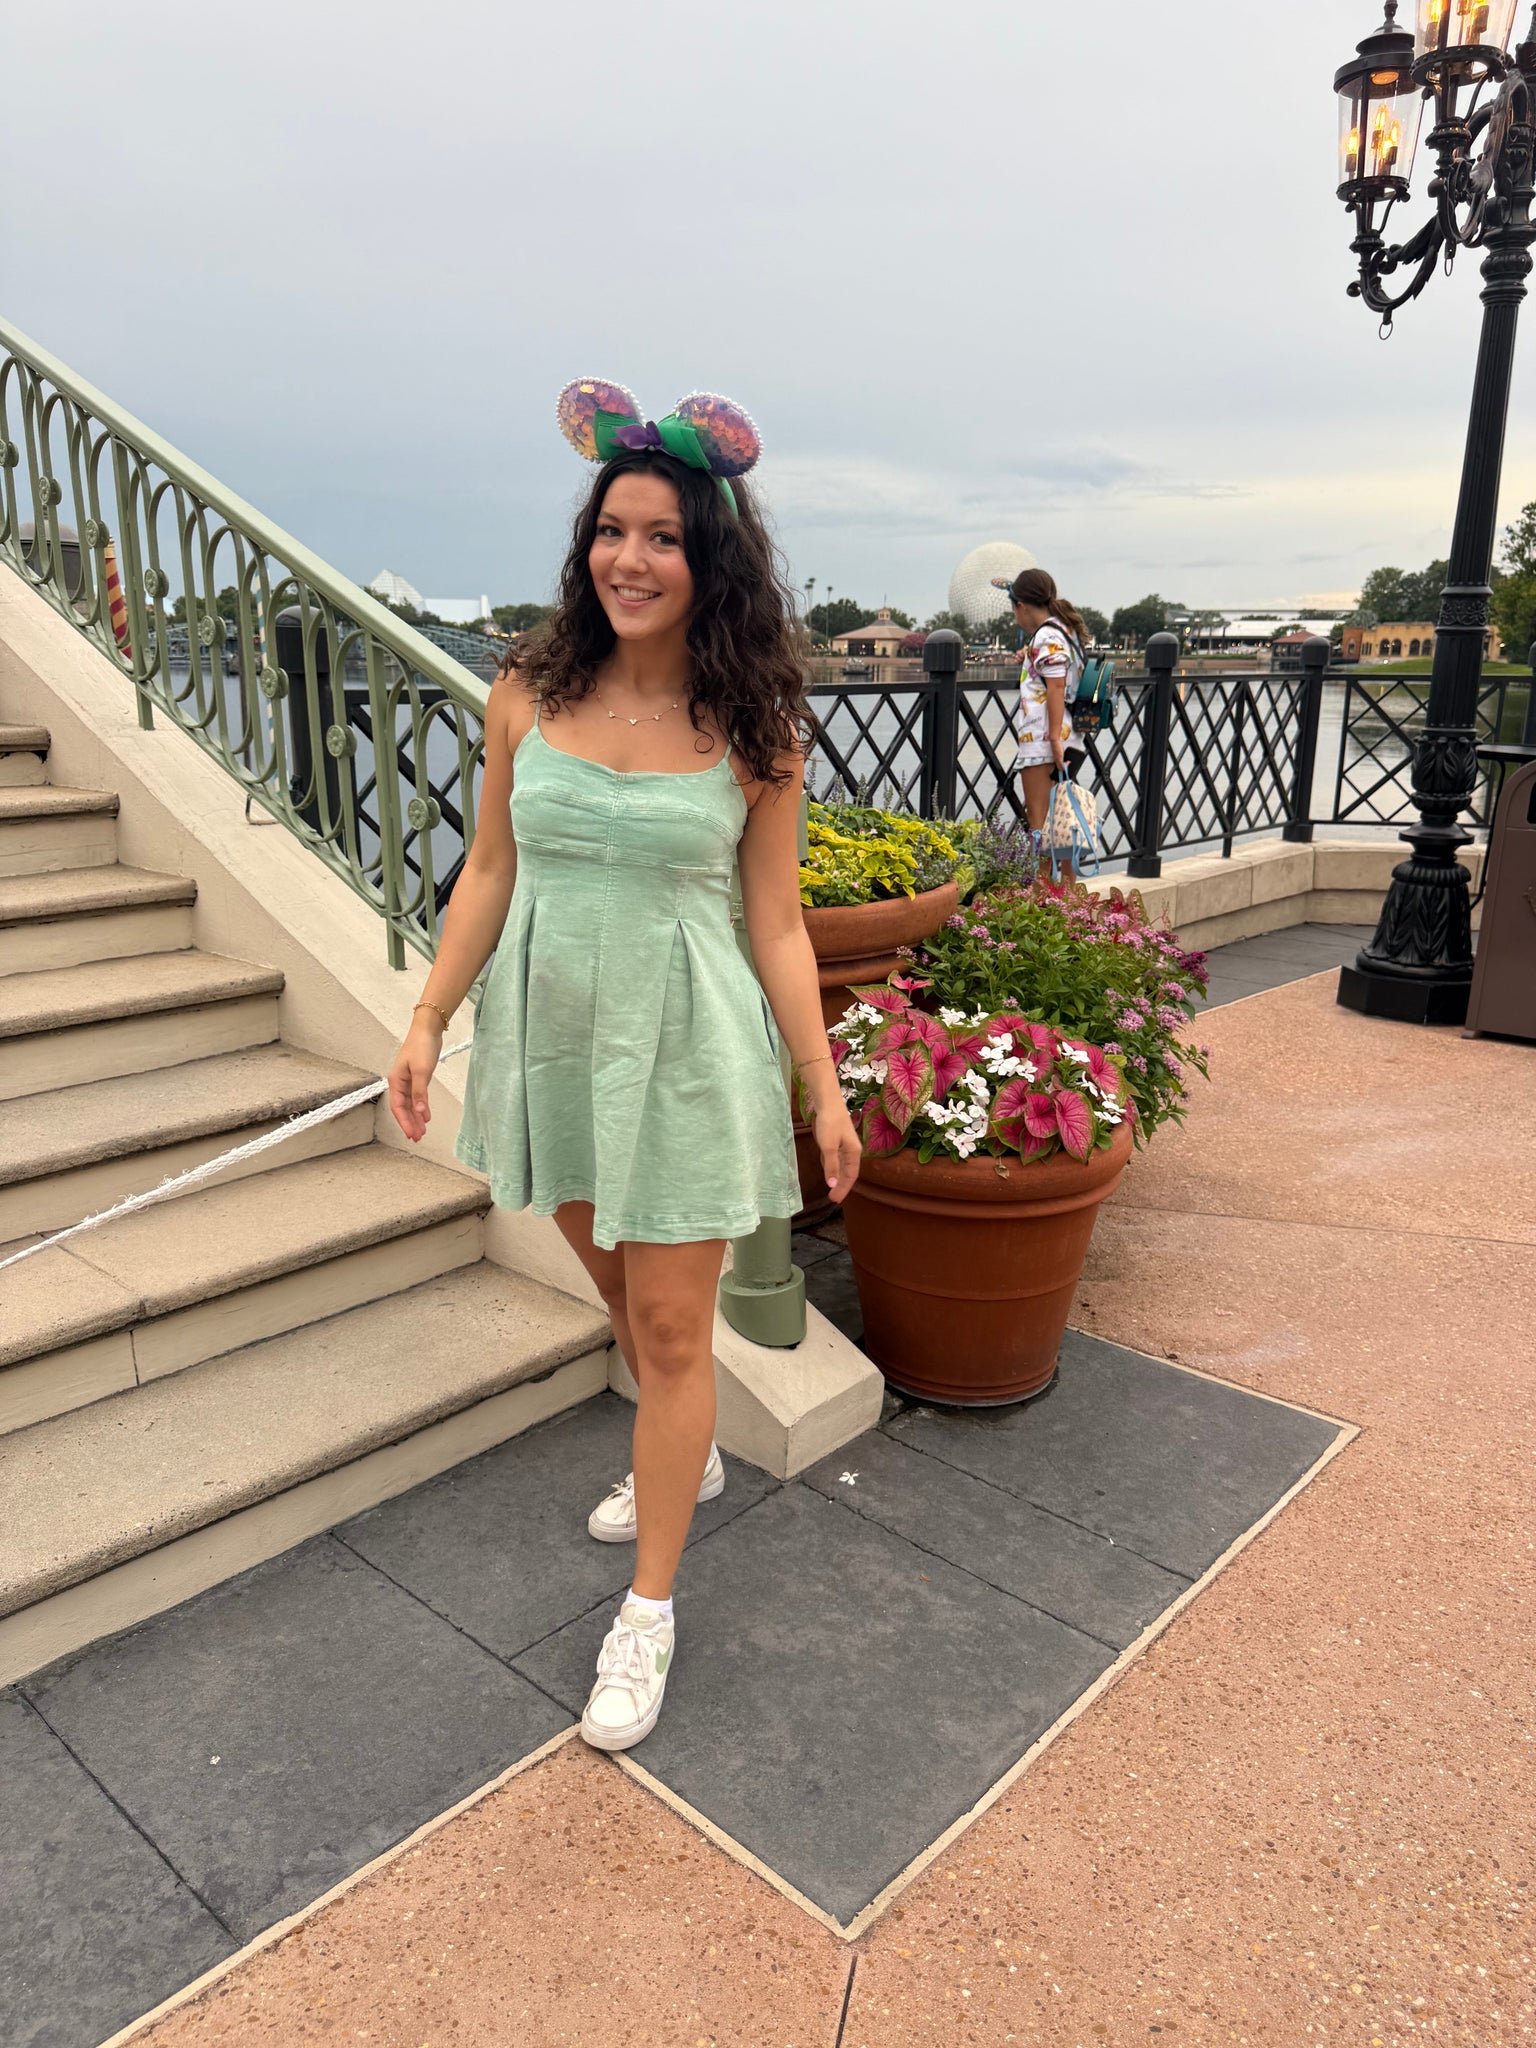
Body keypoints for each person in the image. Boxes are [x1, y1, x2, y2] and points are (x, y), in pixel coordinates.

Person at [387, 379, 861, 1752]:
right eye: (611, 530)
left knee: (668, 1329)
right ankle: (682, 1449)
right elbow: (488, 869)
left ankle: (648, 1609)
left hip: (685, 1049)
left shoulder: (754, 728)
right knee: (612, 1282)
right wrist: (427, 1017)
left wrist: (823, 1081)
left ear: (710, 561)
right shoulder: (526, 694)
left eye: (662, 536)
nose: (630, 558)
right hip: (554, 1042)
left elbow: (776, 923)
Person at [1005, 567, 1092, 884]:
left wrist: (1053, 739)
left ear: (1021, 606)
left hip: (1044, 742)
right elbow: (1054, 673)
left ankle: (1044, 897)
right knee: (1063, 827)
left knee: (1040, 826)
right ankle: (1067, 898)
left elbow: (1056, 686)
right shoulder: (1064, 631)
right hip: (1069, 739)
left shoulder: (1046, 635)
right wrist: (1028, 656)